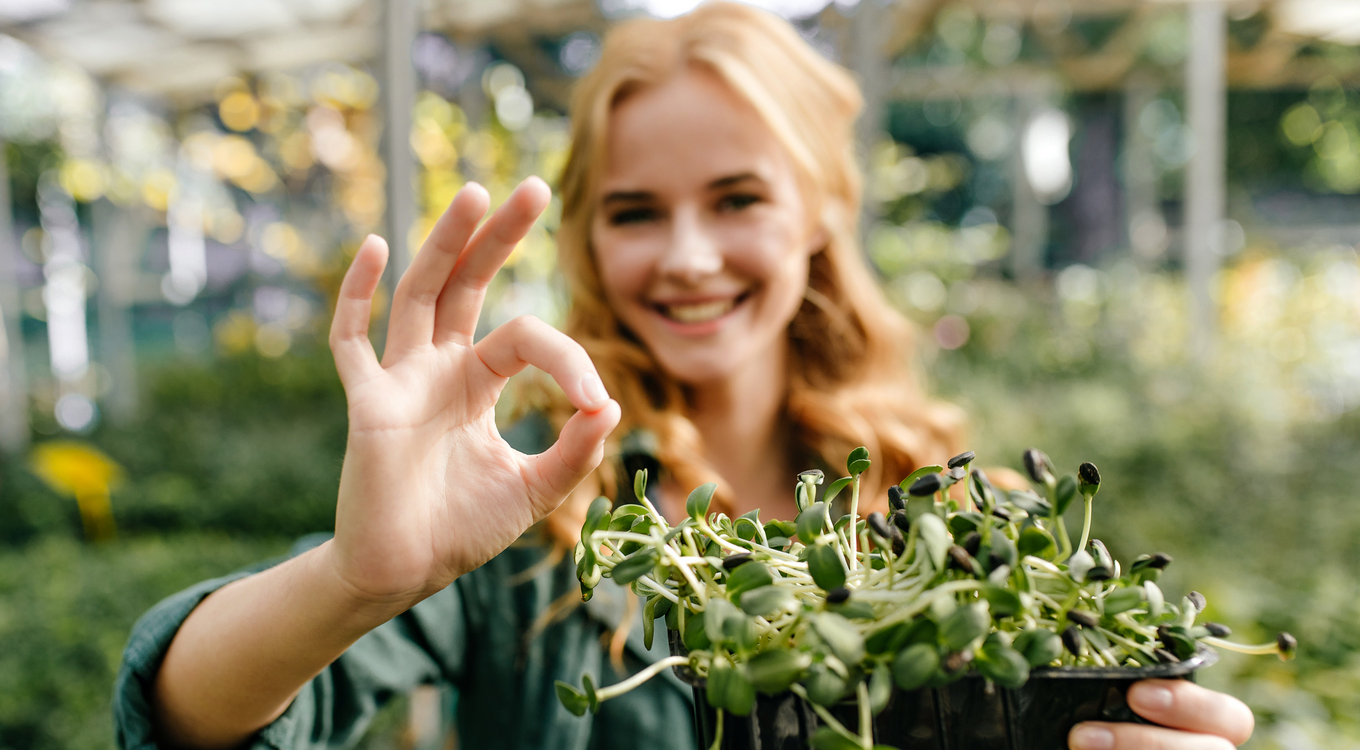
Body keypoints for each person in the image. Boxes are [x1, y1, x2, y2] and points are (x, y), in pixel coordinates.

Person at [115, 4, 1256, 749]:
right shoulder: (521, 530)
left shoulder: (979, 530)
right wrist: (355, 583)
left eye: (738, 198)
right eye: (635, 211)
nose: (690, 255)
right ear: (591, 243)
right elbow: (185, 719)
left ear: (820, 212)